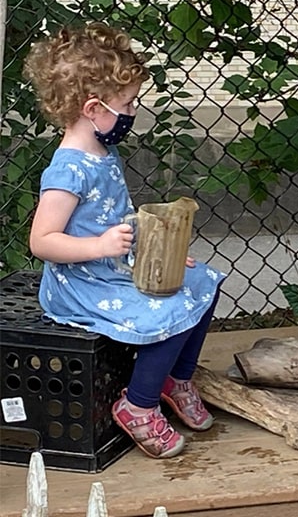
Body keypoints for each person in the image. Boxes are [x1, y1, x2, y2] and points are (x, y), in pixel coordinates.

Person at [24, 23, 226, 458]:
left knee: (203, 283)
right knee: (170, 309)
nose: (133, 112)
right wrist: (98, 247)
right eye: (127, 104)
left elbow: (115, 220)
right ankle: (139, 404)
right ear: (93, 108)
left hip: (115, 268)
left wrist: (161, 253)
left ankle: (175, 377)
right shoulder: (67, 171)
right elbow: (42, 241)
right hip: (80, 284)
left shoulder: (103, 152)